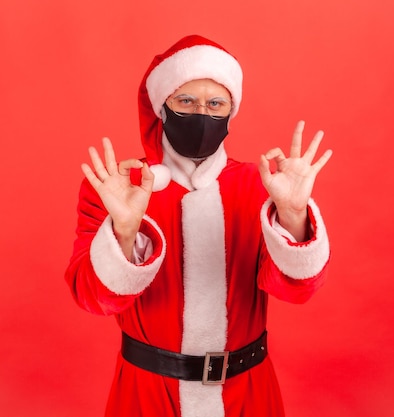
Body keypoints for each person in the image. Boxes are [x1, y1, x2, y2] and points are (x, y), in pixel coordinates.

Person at [64, 34, 332, 417]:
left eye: (215, 103)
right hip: (148, 395)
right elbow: (92, 297)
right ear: (162, 107)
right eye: (185, 101)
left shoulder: (260, 185)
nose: (201, 113)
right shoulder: (118, 188)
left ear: (231, 111)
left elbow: (297, 290)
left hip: (247, 394)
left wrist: (292, 215)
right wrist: (123, 231)